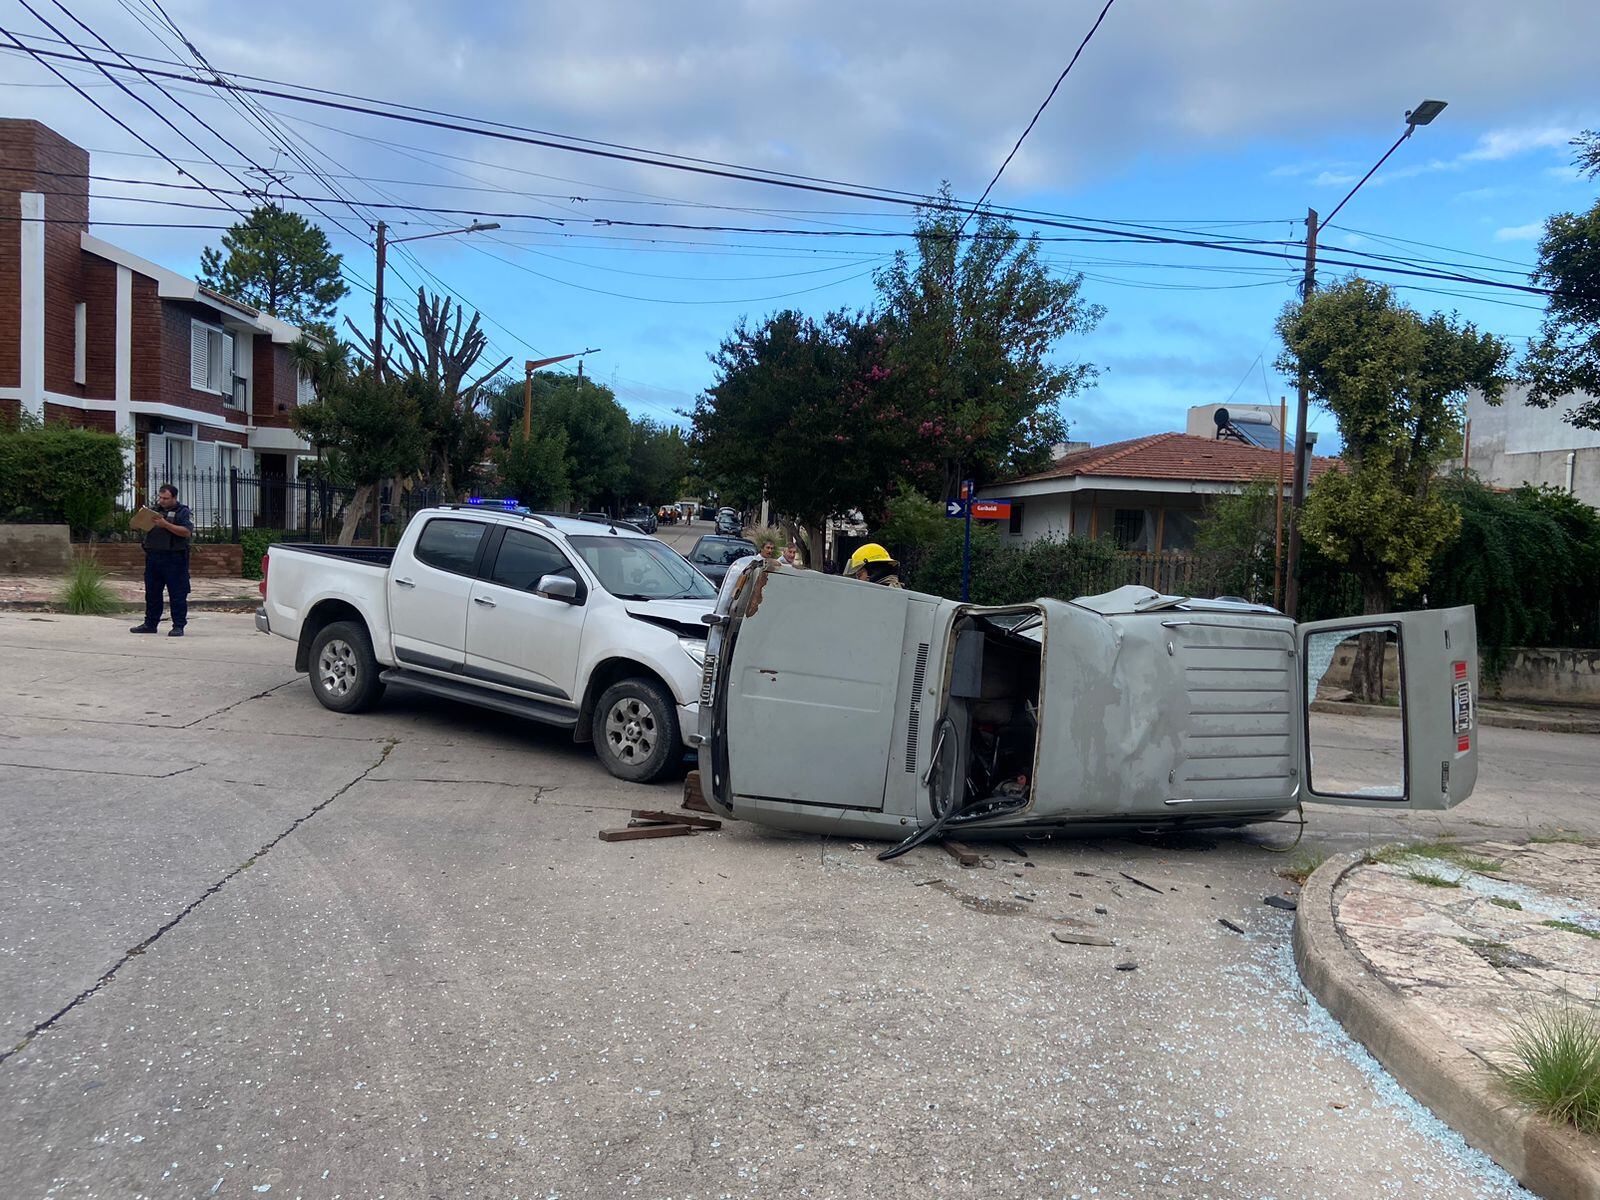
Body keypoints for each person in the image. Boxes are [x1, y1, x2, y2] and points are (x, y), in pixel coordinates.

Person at [130, 483, 194, 636]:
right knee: (152, 593)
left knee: (177, 594)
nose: (162, 501)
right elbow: (134, 525)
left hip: (174, 558)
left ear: (174, 498)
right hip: (154, 557)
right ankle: (150, 624)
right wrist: (139, 520)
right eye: (160, 497)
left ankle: (178, 625)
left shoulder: (182, 512)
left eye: (166, 498)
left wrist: (165, 524)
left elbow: (186, 532)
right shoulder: (154, 511)